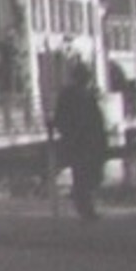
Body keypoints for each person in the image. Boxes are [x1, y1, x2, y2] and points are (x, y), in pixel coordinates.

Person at [52, 62, 109, 220]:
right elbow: (62, 118)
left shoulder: (82, 95)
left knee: (87, 175)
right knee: (83, 175)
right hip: (81, 141)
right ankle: (85, 210)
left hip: (85, 141)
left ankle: (86, 208)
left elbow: (95, 119)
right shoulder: (74, 95)